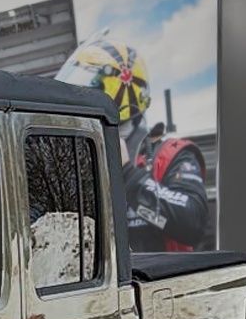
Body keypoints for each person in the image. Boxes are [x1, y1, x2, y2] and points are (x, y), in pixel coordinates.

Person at [56, 38, 211, 252]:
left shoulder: (170, 155)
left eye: (86, 91)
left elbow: (194, 224)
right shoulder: (81, 162)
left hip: (160, 283)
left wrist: (128, 174)